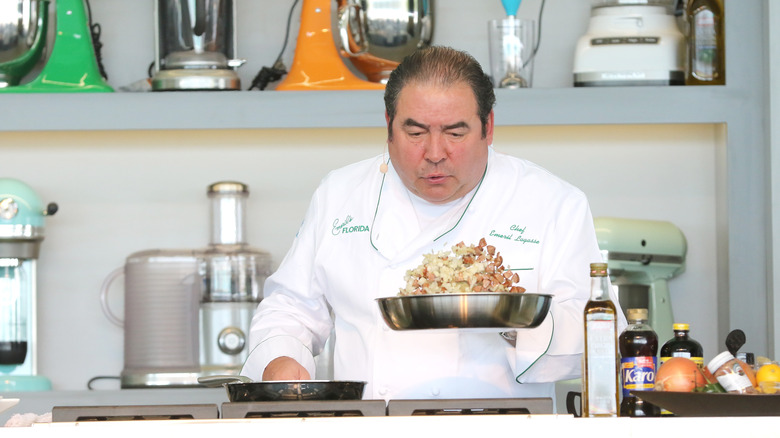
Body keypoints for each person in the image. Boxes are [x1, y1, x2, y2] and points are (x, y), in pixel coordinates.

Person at [242, 46, 626, 402]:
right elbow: (290, 309)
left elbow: (601, 333)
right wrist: (281, 362)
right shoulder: (341, 194)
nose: (435, 154)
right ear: (389, 126)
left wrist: (510, 319)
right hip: (372, 425)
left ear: (488, 128)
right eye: (415, 132)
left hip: (498, 427)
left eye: (456, 133)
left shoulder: (553, 203)